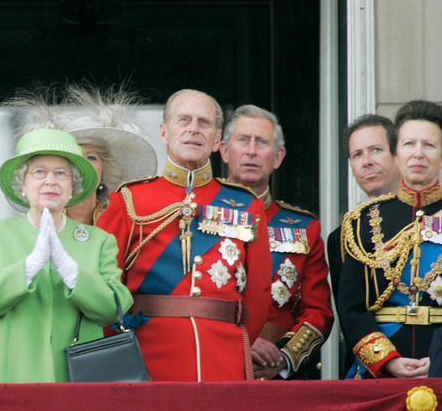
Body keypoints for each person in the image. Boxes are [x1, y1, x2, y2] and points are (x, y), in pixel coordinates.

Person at [97, 89, 272, 382]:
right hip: (146, 356)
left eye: (204, 122)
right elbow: (104, 287)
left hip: (223, 357)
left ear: (217, 140)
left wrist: (237, 338)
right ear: (164, 133)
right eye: (184, 120)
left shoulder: (246, 204)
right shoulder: (128, 200)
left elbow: (258, 293)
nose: (193, 129)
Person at [0, 128, 132, 383]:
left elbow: (113, 308)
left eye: (61, 173)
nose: (50, 181)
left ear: (72, 185)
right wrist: (30, 266)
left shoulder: (99, 241)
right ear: (23, 183)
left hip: (76, 380)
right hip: (10, 378)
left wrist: (70, 271)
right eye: (39, 172)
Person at [220, 105, 333, 379]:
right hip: (215, 359)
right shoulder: (198, 215)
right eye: (242, 140)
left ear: (278, 156)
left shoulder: (305, 228)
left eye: (262, 142)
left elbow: (317, 311)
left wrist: (282, 357)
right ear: (224, 151)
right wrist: (238, 342)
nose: (251, 151)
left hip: (275, 374)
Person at [338, 100, 442, 379]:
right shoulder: (362, 222)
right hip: (381, 369)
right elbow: (351, 309)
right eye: (409, 144)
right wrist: (388, 361)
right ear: (395, 154)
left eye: (429, 145)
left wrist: (440, 362)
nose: (418, 154)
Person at [8, 84, 157, 224]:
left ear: (105, 170)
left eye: (91, 158)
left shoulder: (123, 223)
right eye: (75, 158)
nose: (83, 164)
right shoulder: (37, 224)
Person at [328, 115, 400, 298]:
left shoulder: (431, 218)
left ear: (397, 154)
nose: (366, 161)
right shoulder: (342, 238)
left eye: (376, 150)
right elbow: (349, 314)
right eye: (357, 154)